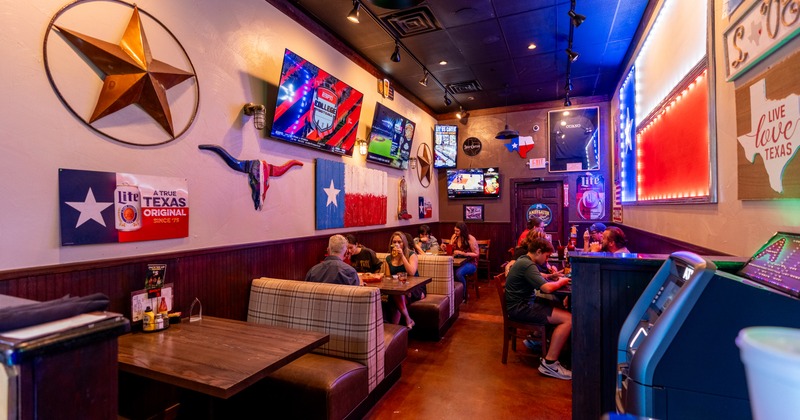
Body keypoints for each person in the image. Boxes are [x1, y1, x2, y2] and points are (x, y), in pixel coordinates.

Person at [505, 237, 573, 380]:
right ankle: (550, 364)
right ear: (538, 251)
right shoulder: (527, 264)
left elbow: (537, 276)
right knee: (568, 319)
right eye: (546, 256)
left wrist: (550, 276)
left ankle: (538, 341)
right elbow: (546, 288)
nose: (547, 260)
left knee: (556, 304)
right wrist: (562, 281)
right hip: (520, 308)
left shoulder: (524, 260)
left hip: (521, 305)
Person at [383, 231, 424, 328]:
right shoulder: (388, 258)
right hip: (398, 289)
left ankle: (395, 329)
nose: (396, 244)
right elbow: (388, 278)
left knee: (396, 298)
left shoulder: (411, 255)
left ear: (404, 243)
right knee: (396, 296)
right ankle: (404, 322)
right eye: (394, 242)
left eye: (399, 242)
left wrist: (402, 256)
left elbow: (412, 272)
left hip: (414, 288)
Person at [450, 221, 479, 302]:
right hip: (458, 262)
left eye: (457, 231)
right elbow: (451, 248)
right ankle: (454, 295)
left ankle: (463, 295)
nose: (455, 233)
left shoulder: (470, 238)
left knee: (458, 273)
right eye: (454, 230)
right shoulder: (454, 237)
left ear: (462, 230)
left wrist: (463, 253)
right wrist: (445, 247)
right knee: (449, 272)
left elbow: (476, 254)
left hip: (471, 263)